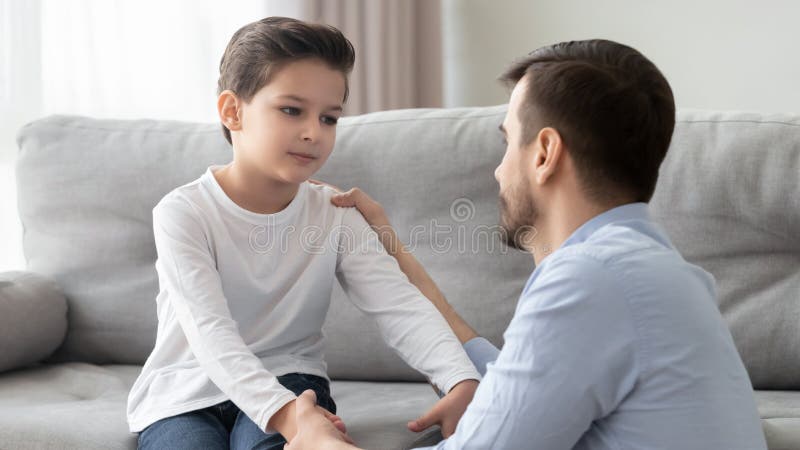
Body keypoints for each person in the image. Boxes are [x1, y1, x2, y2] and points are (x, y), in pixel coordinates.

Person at [287, 39, 768, 450]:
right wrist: (391, 247)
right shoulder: (654, 271)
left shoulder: (591, 280)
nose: (498, 171)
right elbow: (516, 387)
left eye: (507, 142)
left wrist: (318, 440)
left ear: (544, 154)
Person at [126, 17, 480, 450]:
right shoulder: (182, 214)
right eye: (292, 110)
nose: (314, 132)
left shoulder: (336, 214)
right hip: (184, 393)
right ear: (232, 111)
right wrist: (293, 419)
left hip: (293, 379)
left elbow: (399, 305)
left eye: (329, 117)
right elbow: (210, 333)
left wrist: (459, 379)